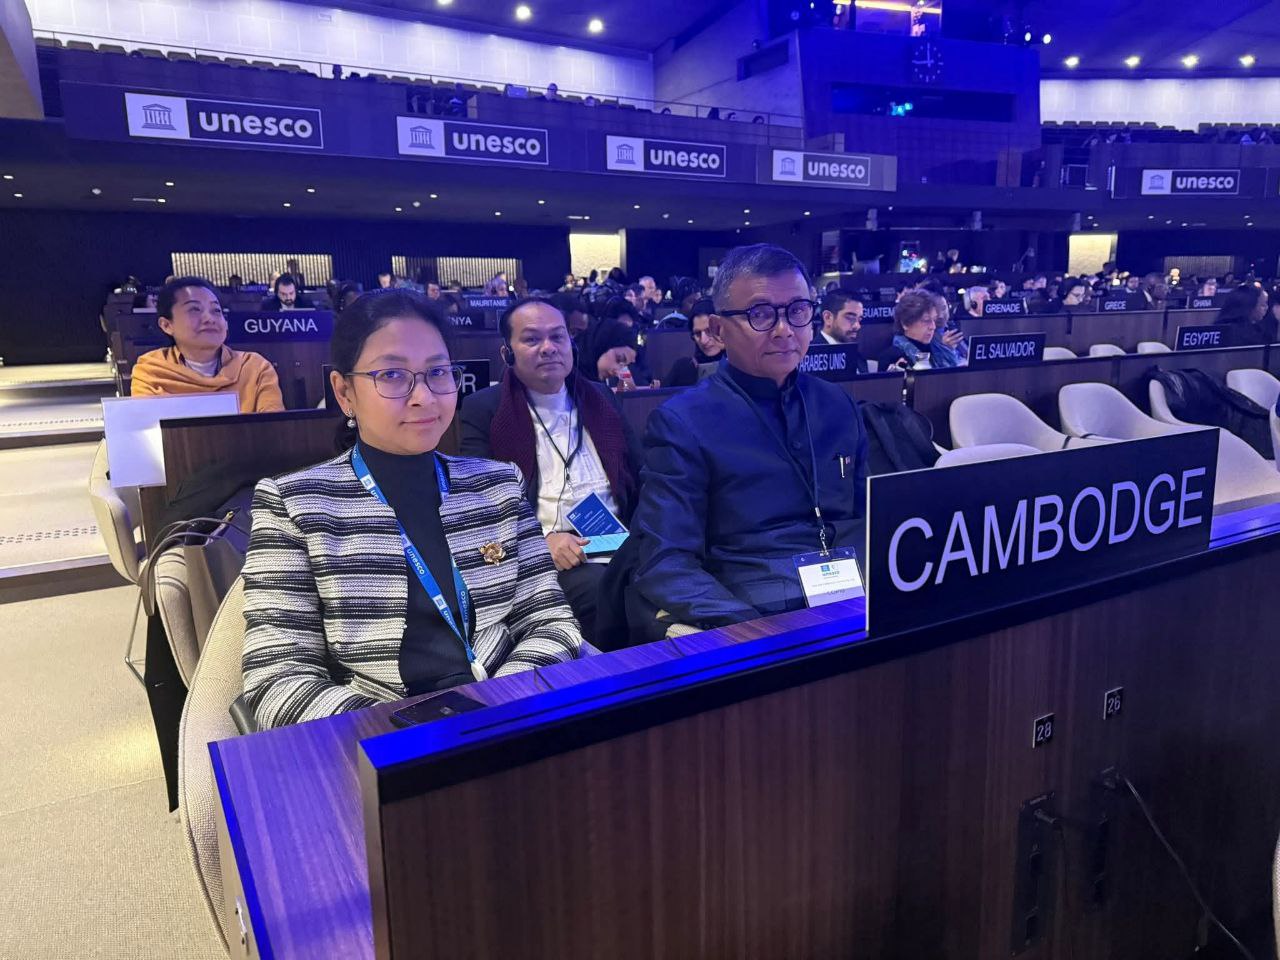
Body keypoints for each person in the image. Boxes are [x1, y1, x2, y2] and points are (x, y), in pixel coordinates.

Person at [241, 289, 583, 729]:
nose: (423, 396)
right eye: (392, 375)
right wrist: (401, 732)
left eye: (437, 372)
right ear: (344, 392)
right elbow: (276, 678)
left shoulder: (497, 484)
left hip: (508, 715)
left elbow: (550, 620)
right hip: (378, 736)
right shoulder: (295, 503)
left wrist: (499, 705)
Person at [630, 244, 868, 632]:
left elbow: (867, 519)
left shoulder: (837, 404)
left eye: (797, 310)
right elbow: (665, 562)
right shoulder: (682, 422)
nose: (784, 329)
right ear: (719, 329)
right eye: (761, 314)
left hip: (858, 601)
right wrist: (751, 632)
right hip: (757, 610)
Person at [458, 298, 643, 644]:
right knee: (605, 591)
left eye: (558, 337)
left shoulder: (600, 398)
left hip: (618, 541)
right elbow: (478, 504)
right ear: (506, 353)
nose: (548, 348)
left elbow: (641, 475)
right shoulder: (484, 409)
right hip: (549, 556)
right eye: (532, 339)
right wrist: (541, 543)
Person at [131, 276, 285, 413]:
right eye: (194, 309)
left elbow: (273, 429)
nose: (209, 318)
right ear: (167, 325)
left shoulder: (254, 367)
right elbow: (147, 431)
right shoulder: (152, 371)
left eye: (216, 310)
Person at [877, 291, 960, 371]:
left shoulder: (937, 349)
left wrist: (947, 350)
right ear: (905, 323)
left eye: (934, 320)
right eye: (926, 320)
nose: (933, 327)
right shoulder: (892, 357)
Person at [663, 299, 724, 386]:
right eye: (698, 333)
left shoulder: (739, 366)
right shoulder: (683, 369)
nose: (703, 340)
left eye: (709, 331)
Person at [816, 292, 868, 370]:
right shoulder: (809, 358)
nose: (857, 326)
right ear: (828, 318)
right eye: (850, 318)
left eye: (859, 319)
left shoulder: (857, 356)